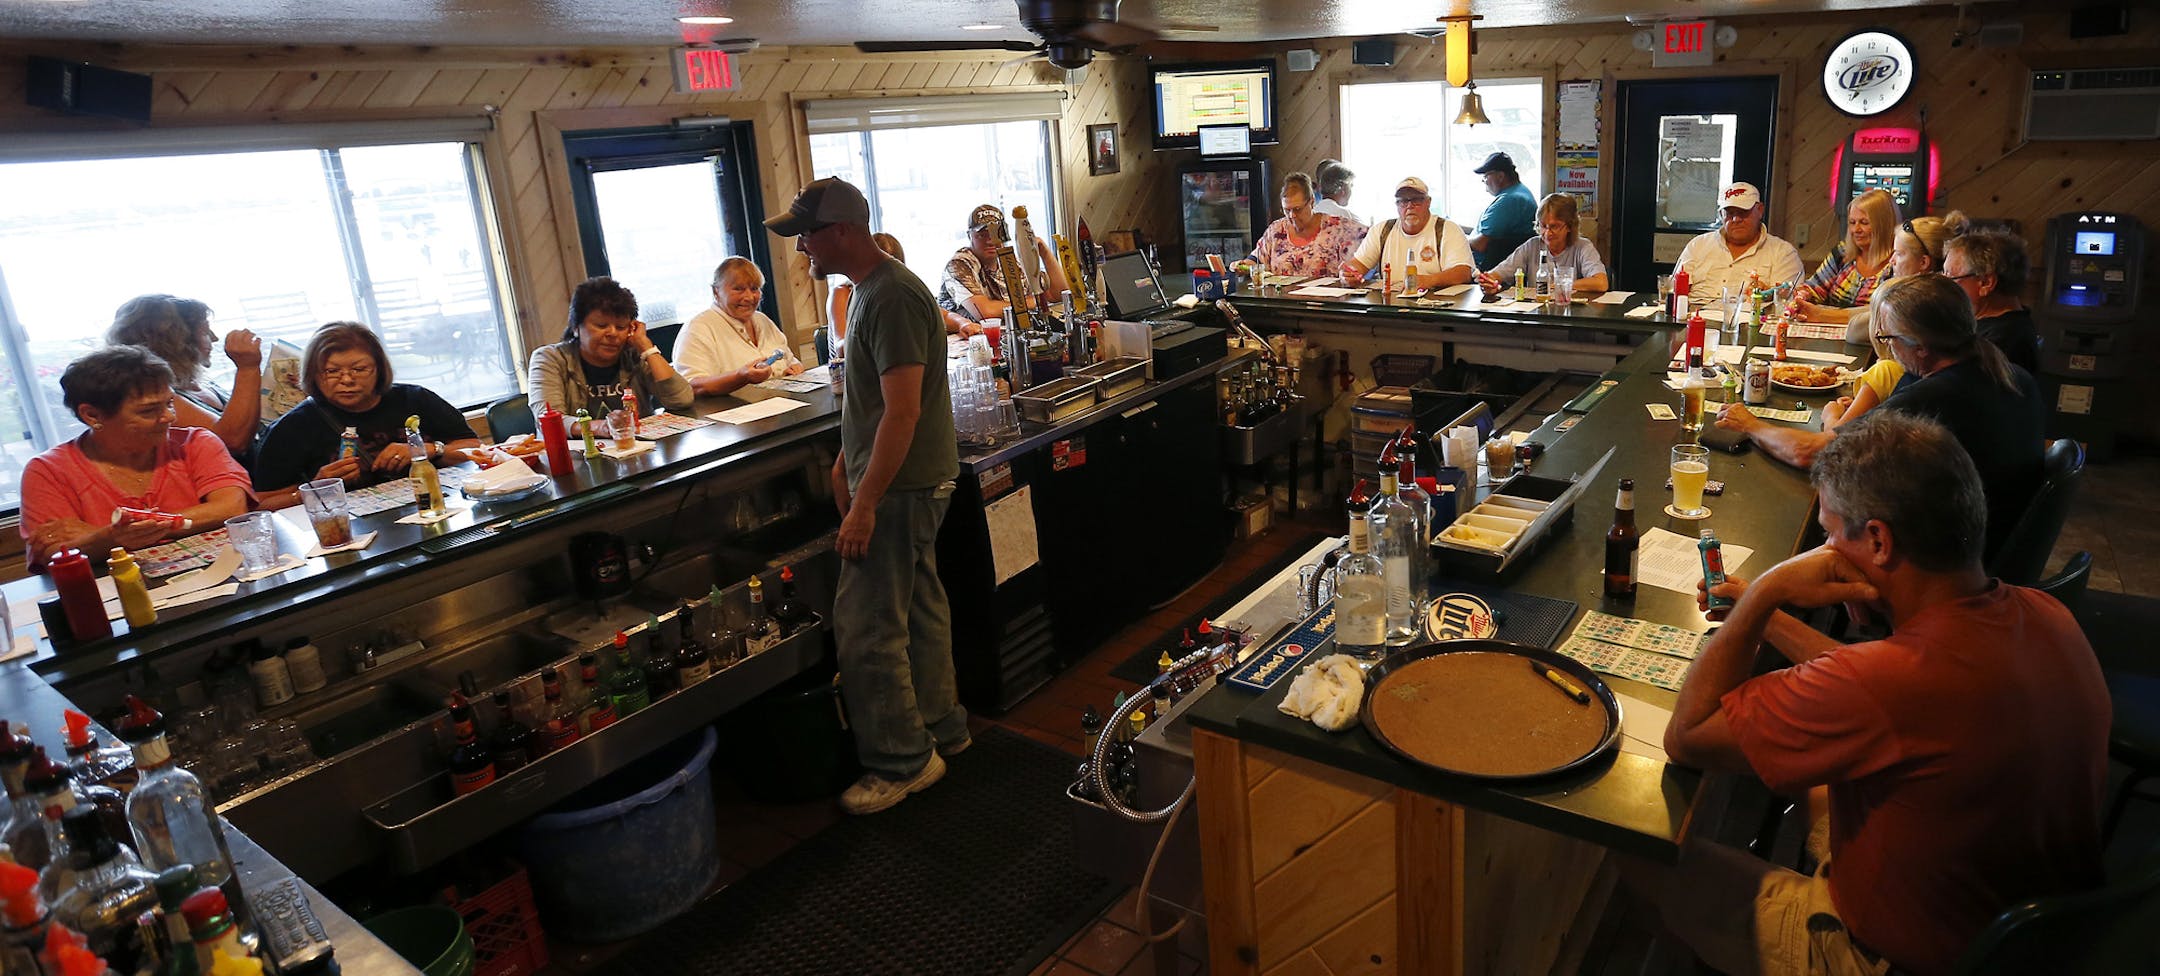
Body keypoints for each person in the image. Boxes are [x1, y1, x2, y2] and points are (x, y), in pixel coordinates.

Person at [1636, 411, 2106, 976]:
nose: (1824, 550)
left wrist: (1765, 593)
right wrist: (1767, 619)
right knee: (1812, 772)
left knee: (1636, 849)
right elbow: (1875, 686)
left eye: (1831, 533)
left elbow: (1689, 736)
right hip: (2023, 936)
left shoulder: (1882, 683)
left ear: (1879, 541)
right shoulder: (2046, 613)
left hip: (1892, 959)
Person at [767, 177, 966, 815]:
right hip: (903, 481)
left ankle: (902, 761)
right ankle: (941, 727)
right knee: (920, 609)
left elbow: (903, 413)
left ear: (842, 230)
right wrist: (846, 465)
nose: (801, 248)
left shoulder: (892, 297)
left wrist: (865, 503)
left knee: (866, 629)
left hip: (901, 488)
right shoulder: (867, 292)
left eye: (807, 234)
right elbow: (875, 403)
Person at [1718, 274, 2043, 560]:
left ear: (1921, 346)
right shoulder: (2009, 373)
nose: (1888, 349)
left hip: (1946, 558)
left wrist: (1750, 424)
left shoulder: (1933, 396)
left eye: (1889, 339)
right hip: (1995, 539)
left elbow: (1811, 453)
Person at [19, 346, 252, 569]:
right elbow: (52, 551)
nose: (169, 417)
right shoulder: (48, 470)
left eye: (170, 403)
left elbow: (232, 508)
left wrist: (108, 534)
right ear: (91, 415)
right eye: (149, 411)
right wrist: (114, 535)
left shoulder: (196, 442)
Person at [251, 322, 482, 505]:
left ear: (379, 369)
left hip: (435, 505)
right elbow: (262, 503)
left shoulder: (415, 399)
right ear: (313, 374)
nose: (347, 380)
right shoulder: (292, 428)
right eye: (332, 371)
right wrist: (318, 487)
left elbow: (475, 449)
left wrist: (428, 450)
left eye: (359, 369)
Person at [1826, 212, 1968, 428]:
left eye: (1899, 254)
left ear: (1924, 262)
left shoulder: (1916, 308)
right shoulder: (1949, 300)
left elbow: (1855, 331)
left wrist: (1830, 416)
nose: (1891, 260)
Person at [106, 295, 263, 457]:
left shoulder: (200, 383)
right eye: (205, 332)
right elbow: (230, 441)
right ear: (177, 342)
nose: (214, 338)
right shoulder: (157, 396)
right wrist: (247, 368)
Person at [528, 276, 694, 420]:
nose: (613, 333)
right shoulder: (549, 359)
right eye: (601, 325)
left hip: (637, 445)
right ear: (576, 327)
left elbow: (682, 400)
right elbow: (550, 419)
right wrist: (600, 428)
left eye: (621, 327)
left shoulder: (635, 355)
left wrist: (646, 347)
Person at [671, 257, 804, 398]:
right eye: (738, 289)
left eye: (754, 288)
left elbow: (789, 360)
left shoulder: (763, 320)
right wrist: (741, 377)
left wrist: (795, 368)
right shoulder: (698, 329)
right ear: (716, 292)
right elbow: (691, 387)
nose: (749, 297)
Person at [938, 204, 1071, 326]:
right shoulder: (959, 265)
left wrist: (1044, 252)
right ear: (970, 236)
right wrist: (1037, 300)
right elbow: (985, 313)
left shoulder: (1010, 261)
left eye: (995, 234)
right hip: (969, 340)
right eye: (982, 235)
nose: (990, 241)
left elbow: (1058, 294)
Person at [1673, 182, 1805, 301]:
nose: (1736, 219)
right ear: (1721, 215)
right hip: (1693, 315)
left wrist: (1767, 294)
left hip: (1749, 318)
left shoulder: (1784, 253)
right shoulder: (1698, 245)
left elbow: (1787, 304)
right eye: (1729, 213)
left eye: (1743, 212)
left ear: (1760, 210)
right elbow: (1674, 291)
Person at [832, 234, 976, 341]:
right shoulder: (843, 293)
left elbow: (943, 315)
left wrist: (963, 324)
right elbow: (841, 346)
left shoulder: (900, 290)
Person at [1341, 177, 1475, 290]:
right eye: (1403, 201)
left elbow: (1463, 272)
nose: (1410, 206)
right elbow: (1359, 264)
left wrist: (1428, 281)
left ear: (1428, 202)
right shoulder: (1381, 230)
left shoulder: (1448, 229)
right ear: (1397, 205)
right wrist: (1349, 274)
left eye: (1416, 200)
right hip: (1390, 306)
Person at [1791, 189, 1899, 325]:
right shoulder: (1842, 253)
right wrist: (1802, 295)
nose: (1856, 230)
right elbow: (1815, 287)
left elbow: (1885, 312)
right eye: (1852, 222)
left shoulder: (1897, 263)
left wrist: (1824, 315)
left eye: (1864, 222)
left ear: (1884, 224)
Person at [1943, 227, 2040, 376]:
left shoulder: (2001, 342)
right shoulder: (1987, 323)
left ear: (1985, 283)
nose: (1943, 284)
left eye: (1950, 277)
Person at [1476, 193, 1609, 296]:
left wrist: (1561, 285)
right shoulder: (1532, 246)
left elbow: (1601, 282)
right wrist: (1489, 283)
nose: (1547, 233)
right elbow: (1497, 274)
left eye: (1554, 226)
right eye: (1543, 226)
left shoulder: (1583, 247)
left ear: (1570, 226)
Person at [1241, 171, 1366, 278]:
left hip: (1325, 298)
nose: (1292, 216)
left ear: (1312, 202)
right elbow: (1257, 259)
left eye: (1297, 209)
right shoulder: (1276, 230)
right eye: (1287, 210)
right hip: (1280, 298)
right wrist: (1244, 266)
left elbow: (1370, 241)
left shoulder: (1338, 228)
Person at [1467, 152, 1539, 272]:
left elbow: (1480, 245)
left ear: (1500, 176)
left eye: (1486, 177)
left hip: (1483, 268)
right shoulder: (1520, 192)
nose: (1484, 182)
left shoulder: (1509, 200)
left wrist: (1459, 240)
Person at [1312, 158, 1362, 226]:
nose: (1351, 191)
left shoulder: (1313, 212)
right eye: (1351, 186)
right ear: (1343, 189)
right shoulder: (1344, 216)